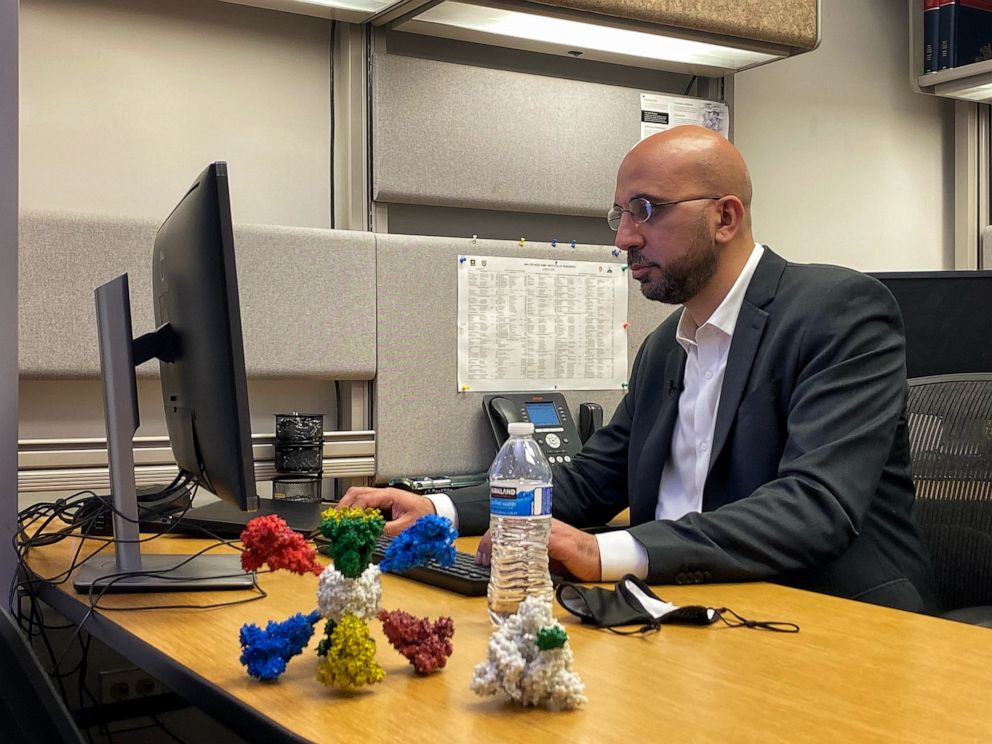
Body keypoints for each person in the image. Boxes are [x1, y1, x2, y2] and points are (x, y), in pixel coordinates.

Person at [341, 125, 938, 613]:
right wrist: (439, 509)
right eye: (621, 214)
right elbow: (590, 483)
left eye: (647, 211)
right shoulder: (664, 348)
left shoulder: (840, 312)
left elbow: (814, 507)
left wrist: (600, 553)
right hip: (685, 610)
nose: (625, 237)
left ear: (724, 218)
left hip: (831, 618)